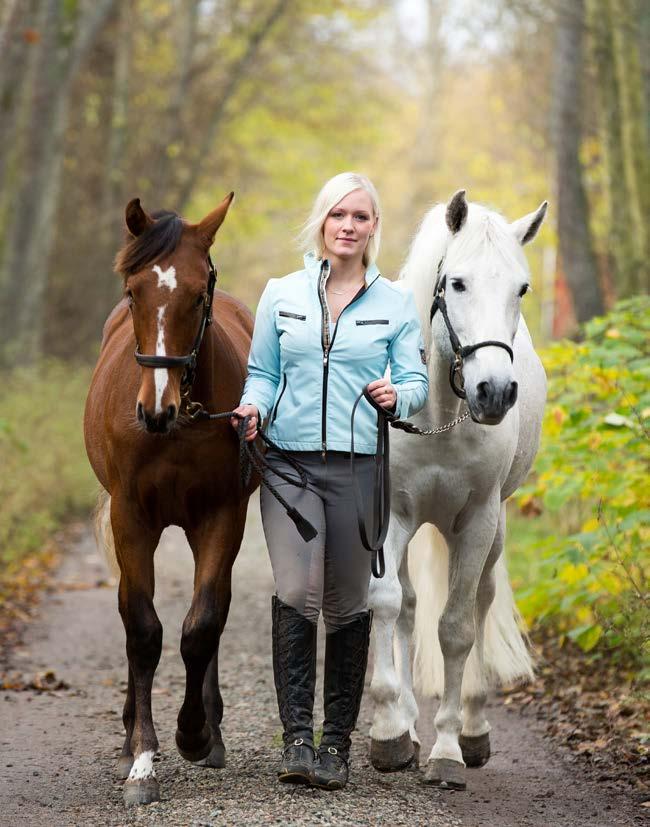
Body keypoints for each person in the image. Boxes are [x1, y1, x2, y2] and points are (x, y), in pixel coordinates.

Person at [230, 172, 428, 790]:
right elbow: (262, 372)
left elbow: (418, 384)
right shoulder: (280, 293)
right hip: (287, 464)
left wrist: (399, 394)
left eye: (361, 217)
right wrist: (252, 405)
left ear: (373, 229)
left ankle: (335, 745)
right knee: (295, 588)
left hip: (358, 466)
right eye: (339, 214)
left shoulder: (394, 302)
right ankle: (295, 741)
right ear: (321, 221)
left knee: (348, 602)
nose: (348, 225)